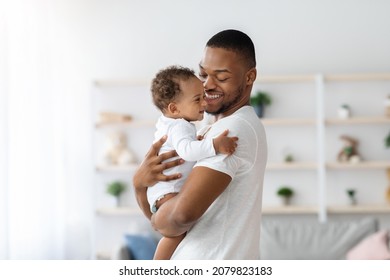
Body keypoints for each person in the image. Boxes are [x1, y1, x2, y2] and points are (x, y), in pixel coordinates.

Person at [133, 29, 267, 259]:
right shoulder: (206, 130)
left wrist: (145, 199)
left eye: (221, 77)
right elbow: (172, 223)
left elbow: (179, 218)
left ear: (249, 77)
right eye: (203, 74)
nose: (207, 85)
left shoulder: (231, 131)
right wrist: (139, 186)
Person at [147, 65, 238, 259]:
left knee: (178, 234)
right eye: (197, 99)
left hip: (160, 192)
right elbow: (187, 151)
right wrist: (215, 145)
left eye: (203, 96)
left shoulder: (168, 122)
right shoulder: (180, 126)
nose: (204, 103)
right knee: (174, 235)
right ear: (174, 108)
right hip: (167, 193)